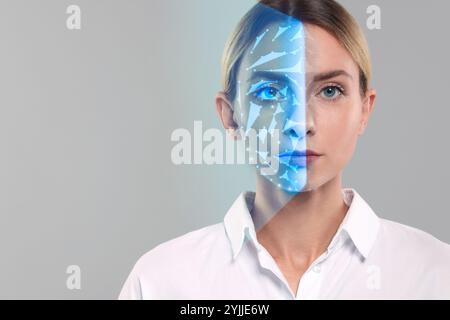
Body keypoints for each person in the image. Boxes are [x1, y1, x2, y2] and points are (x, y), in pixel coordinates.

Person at [119, 0, 450, 299]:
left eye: (331, 90)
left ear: (364, 109)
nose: (300, 121)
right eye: (270, 91)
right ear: (230, 115)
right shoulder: (161, 282)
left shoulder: (436, 275)